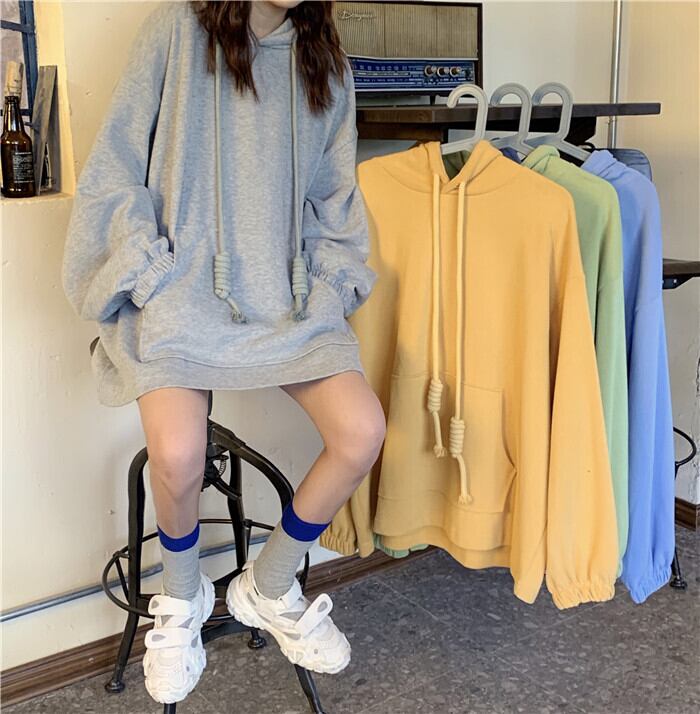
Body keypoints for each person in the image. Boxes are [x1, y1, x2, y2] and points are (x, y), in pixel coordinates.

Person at [61, 0, 385, 705]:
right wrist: (148, 271)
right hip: (181, 293)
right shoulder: (174, 29)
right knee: (177, 456)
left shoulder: (325, 62)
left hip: (287, 297)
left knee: (362, 431)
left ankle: (269, 583)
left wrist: (328, 287)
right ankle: (181, 597)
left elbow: (335, 197)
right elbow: (115, 166)